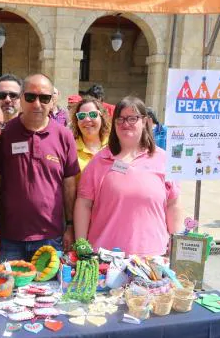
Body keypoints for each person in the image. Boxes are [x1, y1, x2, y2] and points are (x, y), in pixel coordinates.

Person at [75, 96, 182, 256]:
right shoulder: (99, 161)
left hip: (152, 258)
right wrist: (81, 245)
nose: (126, 124)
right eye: (120, 119)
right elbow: (84, 204)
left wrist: (176, 247)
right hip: (105, 258)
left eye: (133, 118)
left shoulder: (163, 159)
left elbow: (173, 204)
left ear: (145, 121)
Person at [0, 73, 80, 260]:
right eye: (31, 97)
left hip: (50, 237)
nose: (37, 104)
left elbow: (69, 185)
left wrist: (70, 226)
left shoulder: (64, 136)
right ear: (22, 98)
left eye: (44, 98)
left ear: (52, 100)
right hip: (10, 238)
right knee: (9, 289)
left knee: (50, 290)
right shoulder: (5, 134)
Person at [68, 96, 110, 173]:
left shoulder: (114, 145)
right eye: (82, 116)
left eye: (93, 114)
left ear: (102, 117)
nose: (87, 119)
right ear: (76, 121)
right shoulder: (70, 149)